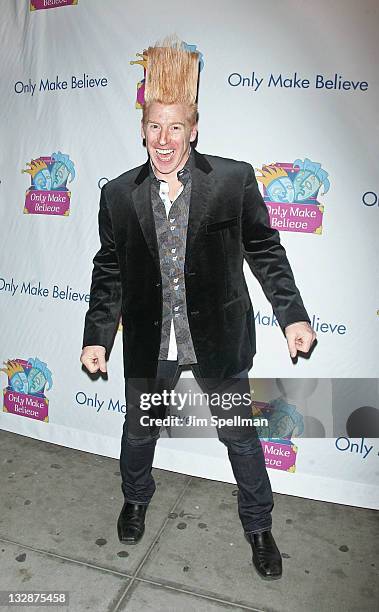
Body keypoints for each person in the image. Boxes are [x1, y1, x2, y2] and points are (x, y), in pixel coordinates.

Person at [80, 37, 316, 580]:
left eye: (175, 128)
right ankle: (136, 499)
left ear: (194, 129)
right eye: (154, 127)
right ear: (142, 128)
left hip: (217, 340)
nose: (164, 140)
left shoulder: (232, 180)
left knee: (239, 436)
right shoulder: (118, 194)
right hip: (151, 340)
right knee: (139, 432)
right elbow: (109, 268)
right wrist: (98, 334)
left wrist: (293, 315)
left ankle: (259, 526)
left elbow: (264, 249)